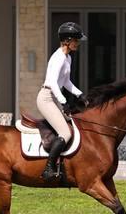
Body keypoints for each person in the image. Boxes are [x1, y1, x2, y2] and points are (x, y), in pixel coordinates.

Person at [37, 22, 89, 181]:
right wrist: (64, 101)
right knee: (65, 132)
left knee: (72, 125)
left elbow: (66, 82)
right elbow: (52, 82)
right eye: (76, 40)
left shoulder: (67, 58)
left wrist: (80, 94)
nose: (78, 43)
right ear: (67, 40)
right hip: (46, 98)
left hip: (54, 98)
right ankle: (49, 168)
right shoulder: (58, 57)